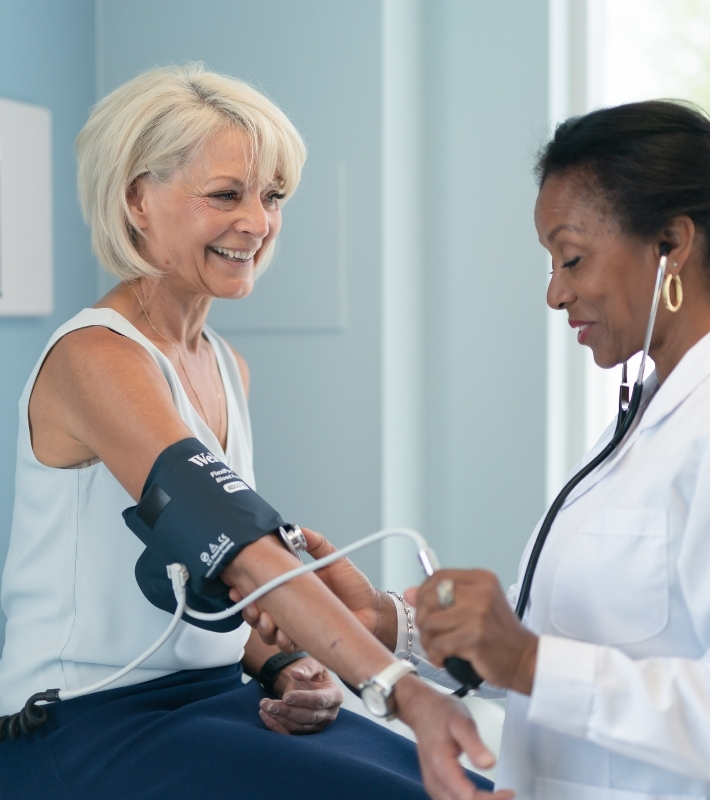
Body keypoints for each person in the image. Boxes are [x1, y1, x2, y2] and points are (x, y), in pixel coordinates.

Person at [251, 100, 710, 799]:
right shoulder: (652, 412)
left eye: (571, 258)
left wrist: (532, 662)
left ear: (672, 243)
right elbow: (571, 635)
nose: (555, 292)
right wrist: (400, 625)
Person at [0, 64, 502, 800]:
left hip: (207, 701)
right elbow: (237, 549)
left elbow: (205, 601)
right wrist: (396, 686)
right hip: (79, 726)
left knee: (468, 790)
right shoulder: (96, 359)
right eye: (226, 195)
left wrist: (282, 666)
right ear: (138, 199)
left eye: (272, 197)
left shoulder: (226, 366)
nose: (259, 223)